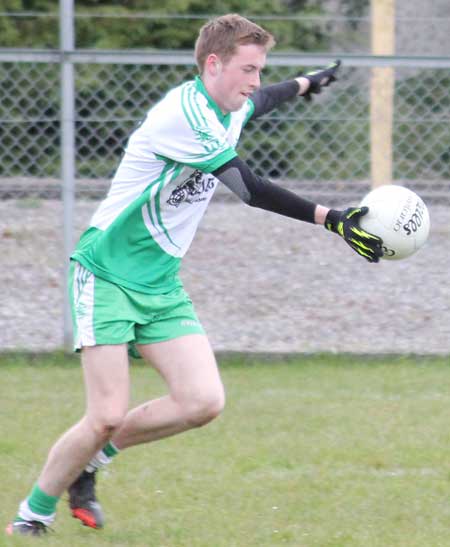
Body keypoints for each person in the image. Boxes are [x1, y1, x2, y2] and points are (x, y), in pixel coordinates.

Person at [6, 13, 383, 537]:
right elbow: (249, 189)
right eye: (247, 69)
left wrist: (304, 84)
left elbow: (261, 100)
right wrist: (333, 219)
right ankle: (33, 513)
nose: (253, 80)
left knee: (202, 402)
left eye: (260, 69)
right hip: (107, 273)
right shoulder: (184, 116)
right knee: (105, 415)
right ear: (213, 63)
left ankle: (92, 463)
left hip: (159, 282)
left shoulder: (226, 105)